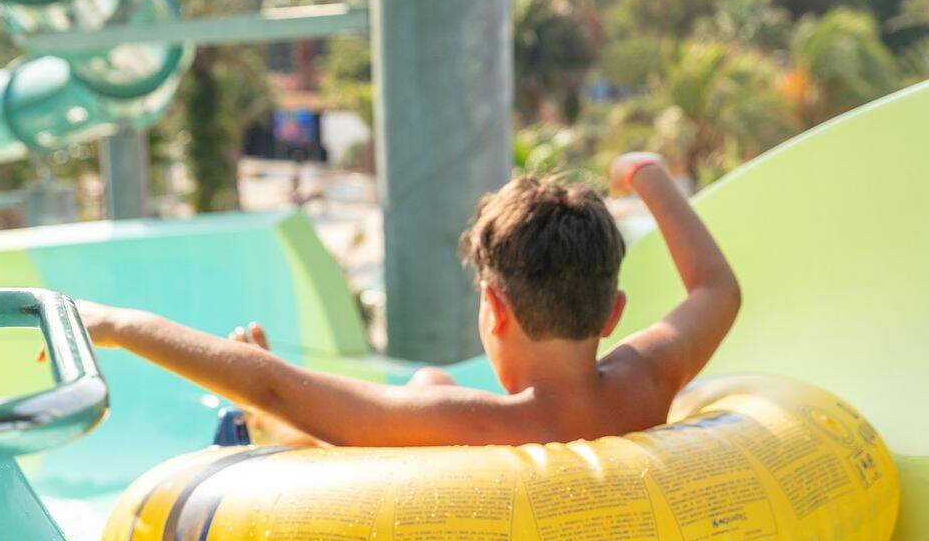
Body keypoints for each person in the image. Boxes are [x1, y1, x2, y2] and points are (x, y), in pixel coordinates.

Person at [78, 152, 740, 447]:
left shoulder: (475, 424)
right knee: (424, 380)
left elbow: (278, 388)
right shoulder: (644, 381)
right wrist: (647, 175)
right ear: (614, 313)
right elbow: (716, 288)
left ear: (494, 309)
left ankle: (274, 441)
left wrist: (117, 323)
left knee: (412, 391)